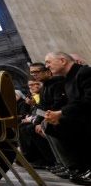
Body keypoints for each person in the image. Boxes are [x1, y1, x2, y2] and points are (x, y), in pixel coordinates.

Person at [43, 52, 91, 183]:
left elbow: (89, 99)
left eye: (48, 62)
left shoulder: (84, 73)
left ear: (62, 61)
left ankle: (82, 167)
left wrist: (60, 113)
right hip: (82, 115)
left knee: (63, 124)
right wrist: (56, 114)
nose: (46, 66)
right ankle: (79, 166)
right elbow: (72, 103)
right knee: (53, 125)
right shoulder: (68, 78)